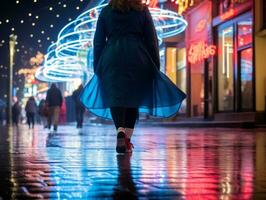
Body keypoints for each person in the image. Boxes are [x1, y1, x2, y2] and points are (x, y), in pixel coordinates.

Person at [80, 0, 186, 153]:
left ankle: (120, 131)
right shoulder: (142, 10)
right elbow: (151, 39)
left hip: (112, 57)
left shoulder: (106, 11)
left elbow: (98, 42)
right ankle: (127, 139)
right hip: (137, 56)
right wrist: (155, 64)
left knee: (116, 97)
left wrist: (98, 65)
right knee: (132, 98)